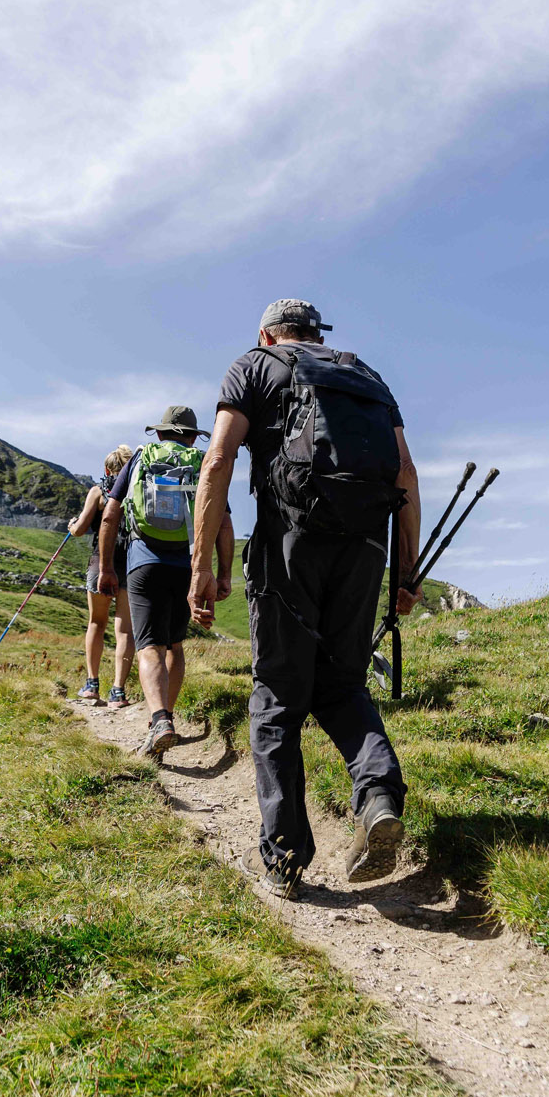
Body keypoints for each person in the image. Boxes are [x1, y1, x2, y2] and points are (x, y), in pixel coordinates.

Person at [189, 299, 422, 899]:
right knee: (343, 683)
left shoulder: (253, 365)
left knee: (276, 695)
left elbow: (218, 458)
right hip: (366, 545)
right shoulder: (365, 375)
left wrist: (201, 568)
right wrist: (406, 573)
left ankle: (286, 858)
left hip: (291, 545)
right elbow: (406, 474)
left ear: (267, 333)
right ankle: (377, 797)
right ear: (319, 334)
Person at [98, 406, 235, 758]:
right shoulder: (203, 462)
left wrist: (106, 567)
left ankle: (159, 720)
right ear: (192, 436)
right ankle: (168, 715)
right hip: (189, 564)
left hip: (144, 563)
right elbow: (222, 523)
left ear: (160, 434)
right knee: (175, 644)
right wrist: (221, 575)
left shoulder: (141, 458)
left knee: (149, 646)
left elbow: (110, 514)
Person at [67, 445, 135, 708]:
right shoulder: (136, 490)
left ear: (107, 469)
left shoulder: (98, 491)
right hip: (130, 562)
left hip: (100, 561)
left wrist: (72, 524)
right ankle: (118, 691)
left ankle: (92, 684)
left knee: (97, 622)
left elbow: (81, 529)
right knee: (125, 629)